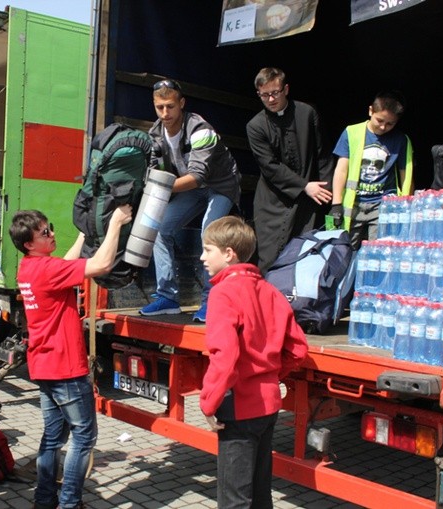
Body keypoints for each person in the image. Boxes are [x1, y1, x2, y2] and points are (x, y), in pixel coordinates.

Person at [9, 204, 133, 509]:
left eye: (49, 227)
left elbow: (64, 265)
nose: (51, 234)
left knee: (53, 438)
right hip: (65, 368)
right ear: (29, 244)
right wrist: (116, 222)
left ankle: (44, 500)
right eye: (44, 233)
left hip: (44, 365)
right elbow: (102, 264)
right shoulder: (46, 270)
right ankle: (69, 503)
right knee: (83, 437)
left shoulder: (29, 267)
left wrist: (81, 235)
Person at [198, 216, 308, 509]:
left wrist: (208, 402)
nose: (202, 257)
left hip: (239, 406)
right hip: (268, 405)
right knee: (260, 493)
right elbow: (297, 348)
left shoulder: (223, 293)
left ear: (228, 253)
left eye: (208, 250)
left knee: (235, 499)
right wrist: (272, 375)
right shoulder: (271, 291)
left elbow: (225, 356)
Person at [139, 79, 241, 322]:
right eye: (159, 107)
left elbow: (197, 176)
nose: (165, 113)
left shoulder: (200, 129)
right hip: (191, 189)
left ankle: (212, 300)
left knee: (210, 235)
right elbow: (155, 172)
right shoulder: (154, 133)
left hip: (220, 185)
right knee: (160, 229)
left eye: (170, 107)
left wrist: (158, 187)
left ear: (181, 103)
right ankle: (168, 297)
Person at [246, 67, 334, 272]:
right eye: (264, 95)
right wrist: (304, 186)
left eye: (274, 93)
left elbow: (322, 156)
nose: (270, 99)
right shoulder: (255, 126)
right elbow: (270, 166)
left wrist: (328, 194)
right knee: (269, 259)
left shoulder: (307, 113)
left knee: (304, 255)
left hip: (309, 199)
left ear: (286, 89)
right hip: (273, 201)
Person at [330, 90, 414, 250]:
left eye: (390, 123)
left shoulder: (401, 140)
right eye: (380, 120)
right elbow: (341, 169)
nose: (383, 127)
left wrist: (406, 207)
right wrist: (336, 203)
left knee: (380, 252)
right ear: (370, 111)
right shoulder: (351, 133)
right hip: (353, 203)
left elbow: (406, 176)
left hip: (383, 205)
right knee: (343, 251)